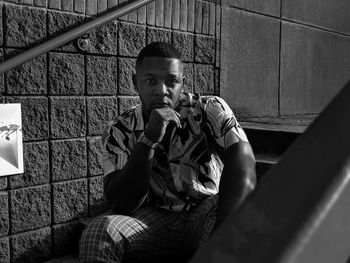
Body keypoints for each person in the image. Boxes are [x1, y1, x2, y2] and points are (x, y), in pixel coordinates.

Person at [79, 42, 256, 263]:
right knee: (99, 231)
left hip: (205, 214)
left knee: (235, 210)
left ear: (183, 83)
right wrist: (149, 138)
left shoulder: (208, 108)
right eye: (150, 81)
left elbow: (244, 163)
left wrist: (221, 240)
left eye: (172, 81)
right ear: (136, 83)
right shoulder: (120, 128)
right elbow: (123, 203)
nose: (161, 90)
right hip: (154, 219)